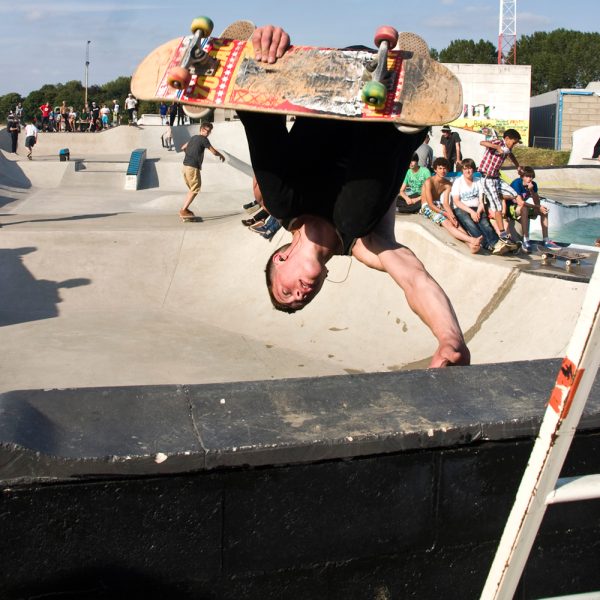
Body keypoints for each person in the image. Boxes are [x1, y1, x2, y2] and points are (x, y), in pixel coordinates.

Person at [239, 26, 470, 367]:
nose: (301, 294)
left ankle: (256, 77)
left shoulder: (280, 202)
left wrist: (270, 44)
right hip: (392, 104)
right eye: (303, 300)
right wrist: (450, 339)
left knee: (275, 199)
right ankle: (399, 115)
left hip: (334, 77)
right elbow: (412, 278)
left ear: (280, 260)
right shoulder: (363, 245)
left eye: (287, 291)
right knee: (355, 222)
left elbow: (267, 171)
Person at [420, 158, 482, 253]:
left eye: (445, 168)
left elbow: (445, 203)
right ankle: (472, 240)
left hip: (439, 205)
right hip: (427, 207)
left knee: (455, 222)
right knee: (447, 223)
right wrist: (446, 214)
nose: (443, 171)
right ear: (435, 169)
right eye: (440, 168)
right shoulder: (429, 182)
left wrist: (451, 215)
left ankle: (471, 245)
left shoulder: (447, 184)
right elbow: (430, 204)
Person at [479, 129, 523, 252]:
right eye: (513, 143)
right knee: (498, 207)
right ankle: (503, 235)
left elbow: (511, 155)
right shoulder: (499, 142)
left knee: (515, 194)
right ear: (507, 138)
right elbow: (482, 142)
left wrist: (517, 166)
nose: (513, 145)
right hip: (487, 178)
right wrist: (496, 147)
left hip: (496, 179)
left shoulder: (508, 148)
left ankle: (519, 233)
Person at [450, 158, 502, 254]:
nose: (468, 171)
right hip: (462, 208)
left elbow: (482, 200)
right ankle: (484, 244)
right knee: (469, 223)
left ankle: (495, 244)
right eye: (465, 169)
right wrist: (471, 212)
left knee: (484, 223)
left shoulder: (478, 181)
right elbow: (456, 201)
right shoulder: (458, 182)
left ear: (473, 169)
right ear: (462, 170)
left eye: (469, 168)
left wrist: (478, 211)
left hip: (477, 207)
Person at [179, 122, 225, 218]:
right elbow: (213, 151)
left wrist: (189, 154)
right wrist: (221, 155)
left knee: (192, 189)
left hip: (184, 167)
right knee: (195, 189)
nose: (207, 133)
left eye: (209, 131)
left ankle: (185, 209)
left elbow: (183, 147)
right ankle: (183, 210)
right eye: (205, 131)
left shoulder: (193, 137)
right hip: (192, 167)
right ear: (201, 129)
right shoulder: (204, 139)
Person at [509, 166, 560, 252]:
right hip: (511, 208)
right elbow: (520, 202)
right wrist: (537, 207)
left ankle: (546, 240)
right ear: (522, 177)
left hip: (521, 207)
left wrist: (532, 191)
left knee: (543, 210)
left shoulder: (533, 185)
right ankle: (526, 240)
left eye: (531, 177)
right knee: (524, 208)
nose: (530, 179)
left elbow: (537, 203)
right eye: (527, 176)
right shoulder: (517, 183)